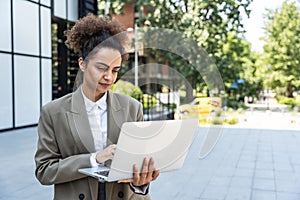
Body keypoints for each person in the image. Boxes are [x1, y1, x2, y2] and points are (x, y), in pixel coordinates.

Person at [35, 14, 160, 200]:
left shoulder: (133, 108)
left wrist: (141, 181)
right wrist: (94, 159)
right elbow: (44, 171)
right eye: (102, 68)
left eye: (115, 70)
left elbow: (138, 165)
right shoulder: (53, 113)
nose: (109, 77)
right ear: (82, 64)